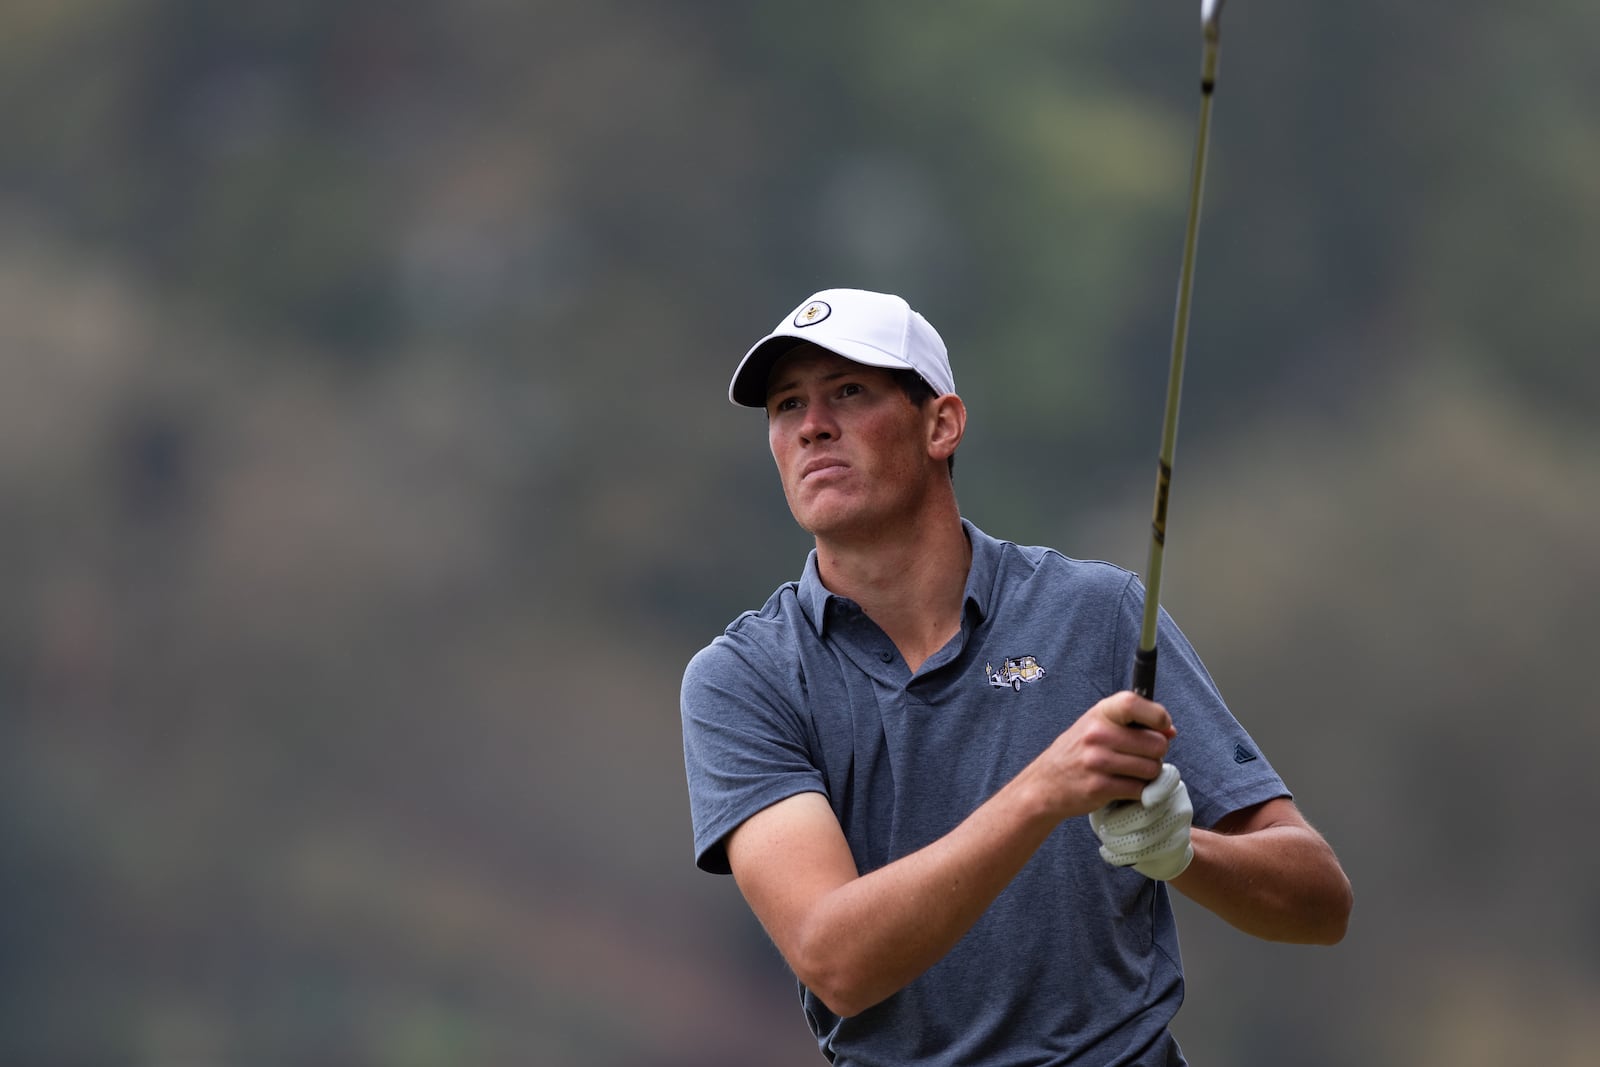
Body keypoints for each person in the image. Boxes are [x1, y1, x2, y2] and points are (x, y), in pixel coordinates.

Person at [680, 288, 1352, 1065]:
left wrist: (1182, 853)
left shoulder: (1097, 614)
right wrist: (1043, 792)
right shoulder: (744, 679)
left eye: (849, 391)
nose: (811, 425)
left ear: (942, 424)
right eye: (786, 404)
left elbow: (1319, 900)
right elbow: (837, 960)